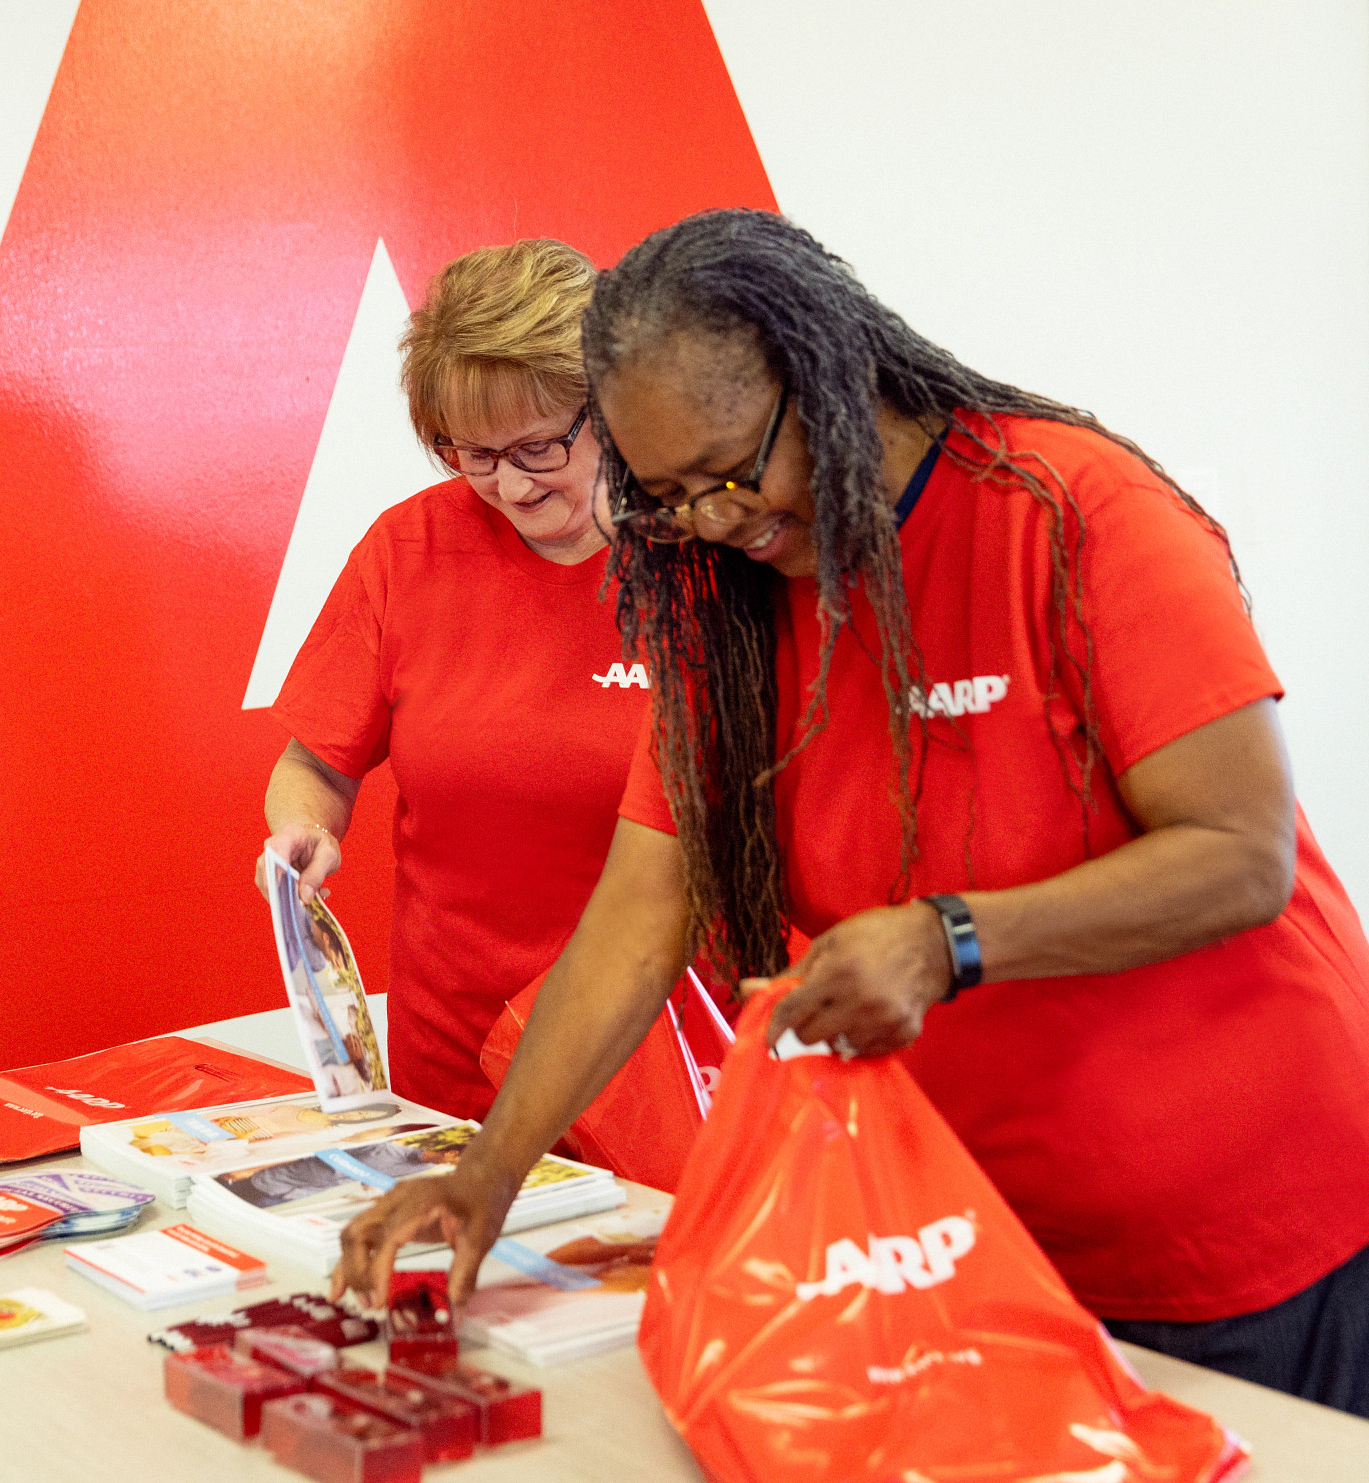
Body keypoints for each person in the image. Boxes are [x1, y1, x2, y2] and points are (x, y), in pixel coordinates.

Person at [332, 209, 1369, 1415]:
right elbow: (639, 909)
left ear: (825, 370)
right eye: (667, 497)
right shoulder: (722, 604)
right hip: (960, 1230)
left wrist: (948, 938)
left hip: (1229, 1227)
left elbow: (1237, 854)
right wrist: (487, 1171)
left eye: (732, 472)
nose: (714, 519)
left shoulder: (1068, 511)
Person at [255, 239, 648, 1122]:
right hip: (453, 1067)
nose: (508, 483)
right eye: (471, 452)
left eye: (540, 445)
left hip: (652, 1055)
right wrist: (302, 831)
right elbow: (315, 763)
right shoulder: (410, 549)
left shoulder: (704, 560)